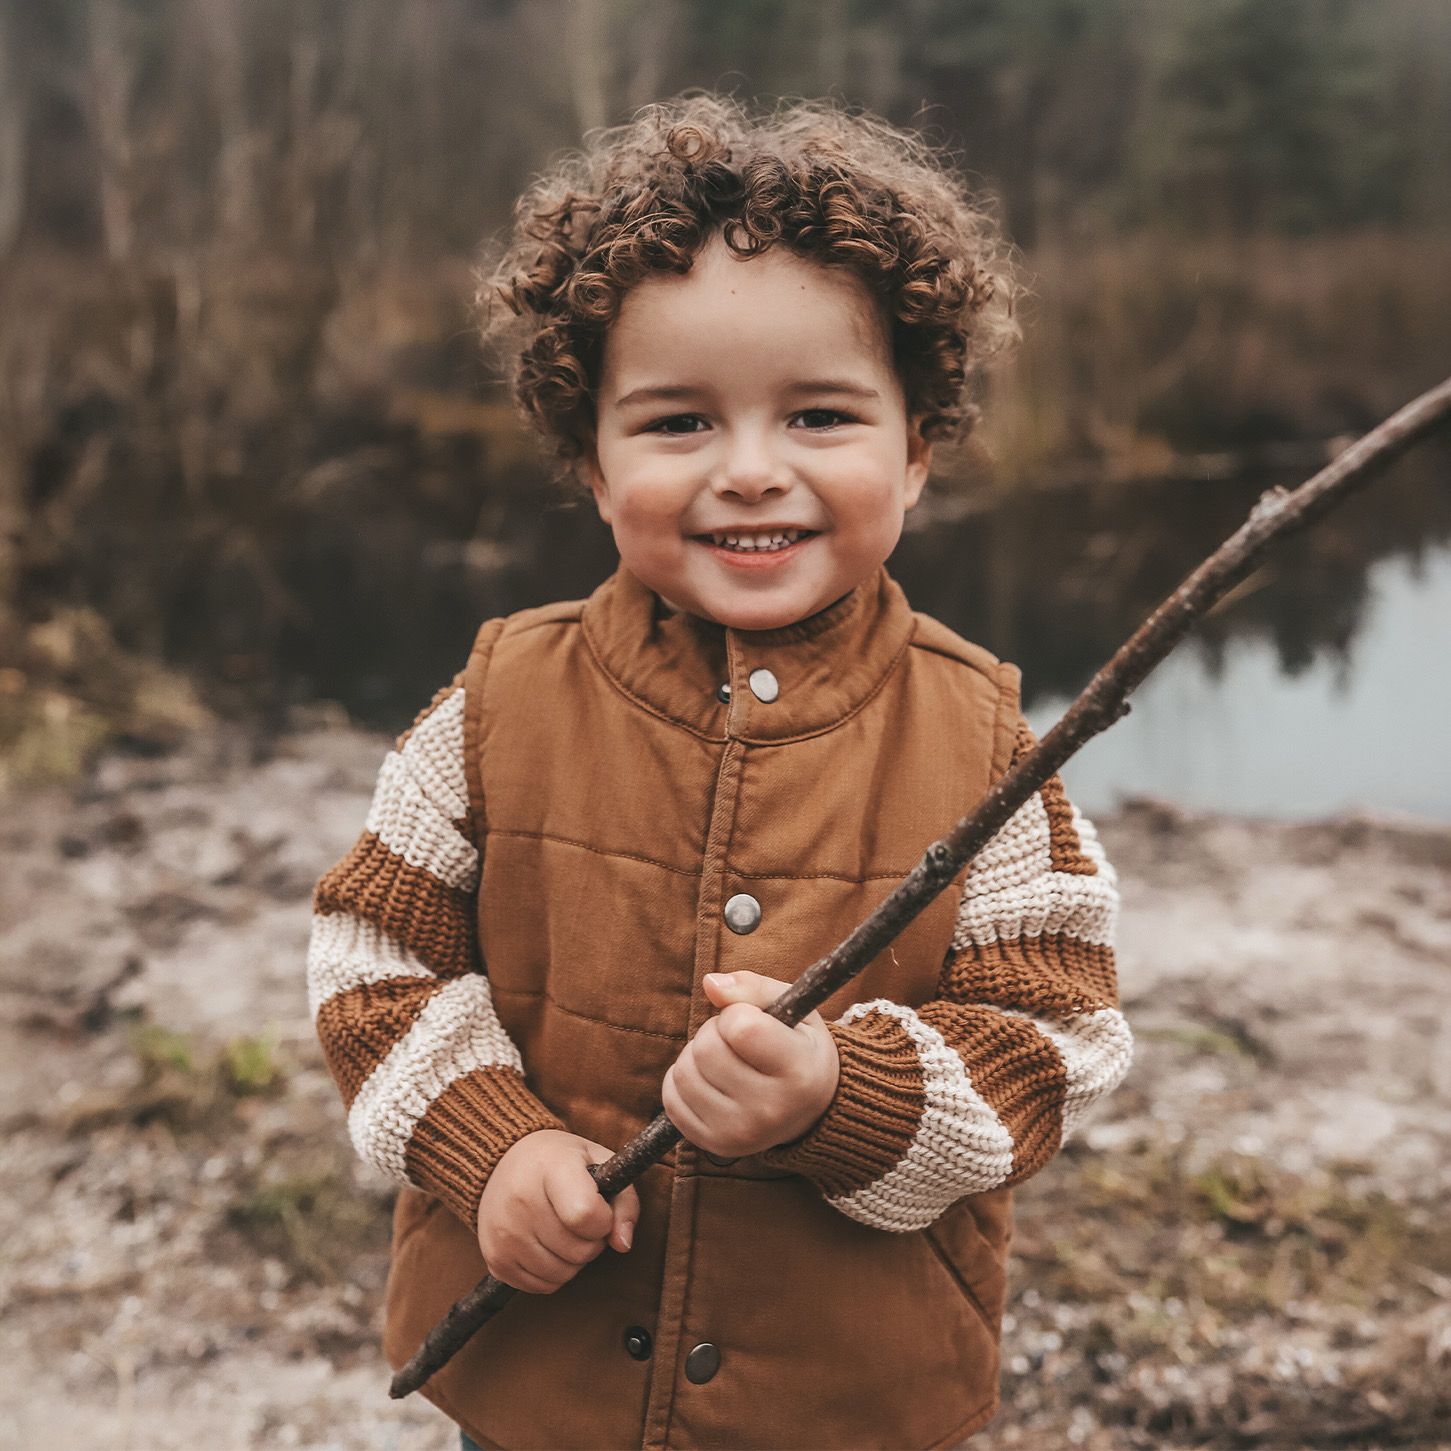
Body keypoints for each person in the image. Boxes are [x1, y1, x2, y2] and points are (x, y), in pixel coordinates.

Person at [307, 92, 1134, 1451]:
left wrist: (840, 1097)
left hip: (848, 1399)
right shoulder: (500, 704)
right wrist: (492, 1146)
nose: (751, 472)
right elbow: (373, 958)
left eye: (820, 416)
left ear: (917, 450)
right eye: (679, 423)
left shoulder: (984, 740)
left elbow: (1055, 1035)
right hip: (539, 1383)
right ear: (591, 462)